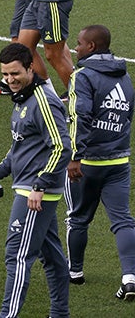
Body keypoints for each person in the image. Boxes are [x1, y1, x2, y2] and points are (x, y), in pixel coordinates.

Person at [0, 43, 70, 318]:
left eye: (15, 73)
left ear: (31, 68)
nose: (9, 80)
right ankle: (60, 314)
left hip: (35, 192)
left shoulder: (43, 101)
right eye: (5, 75)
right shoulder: (22, 98)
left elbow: (62, 147)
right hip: (31, 188)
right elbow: (21, 146)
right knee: (52, 258)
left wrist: (40, 186)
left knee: (17, 256)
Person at [65, 25, 135, 300]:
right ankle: (130, 277)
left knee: (78, 218)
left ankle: (75, 272)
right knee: (123, 220)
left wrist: (75, 157)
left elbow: (79, 115)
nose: (76, 48)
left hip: (89, 162)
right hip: (119, 160)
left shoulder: (82, 75)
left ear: (91, 47)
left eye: (80, 43)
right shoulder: (124, 75)